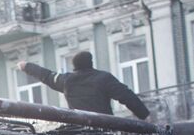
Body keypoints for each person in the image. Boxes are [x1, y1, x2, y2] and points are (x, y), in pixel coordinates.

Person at [17, 51, 151, 119]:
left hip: (80, 130)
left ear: (74, 66)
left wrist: (27, 66)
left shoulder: (66, 80)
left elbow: (46, 75)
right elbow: (126, 95)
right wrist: (144, 115)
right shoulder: (103, 78)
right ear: (90, 62)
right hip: (106, 128)